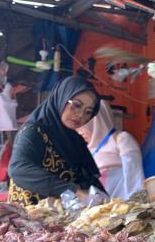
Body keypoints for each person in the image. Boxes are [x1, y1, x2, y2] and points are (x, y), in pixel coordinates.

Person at [8, 76, 105, 205]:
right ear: (61, 98)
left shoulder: (75, 141)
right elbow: (18, 169)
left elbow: (87, 177)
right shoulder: (34, 131)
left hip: (60, 218)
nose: (81, 115)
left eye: (88, 112)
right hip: (27, 216)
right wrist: (73, 191)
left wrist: (107, 201)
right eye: (76, 105)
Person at [77, 100, 145, 200]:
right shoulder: (87, 151)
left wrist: (135, 208)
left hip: (124, 208)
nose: (79, 131)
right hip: (100, 211)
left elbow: (136, 180)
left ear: (98, 119)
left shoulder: (122, 140)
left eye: (83, 124)